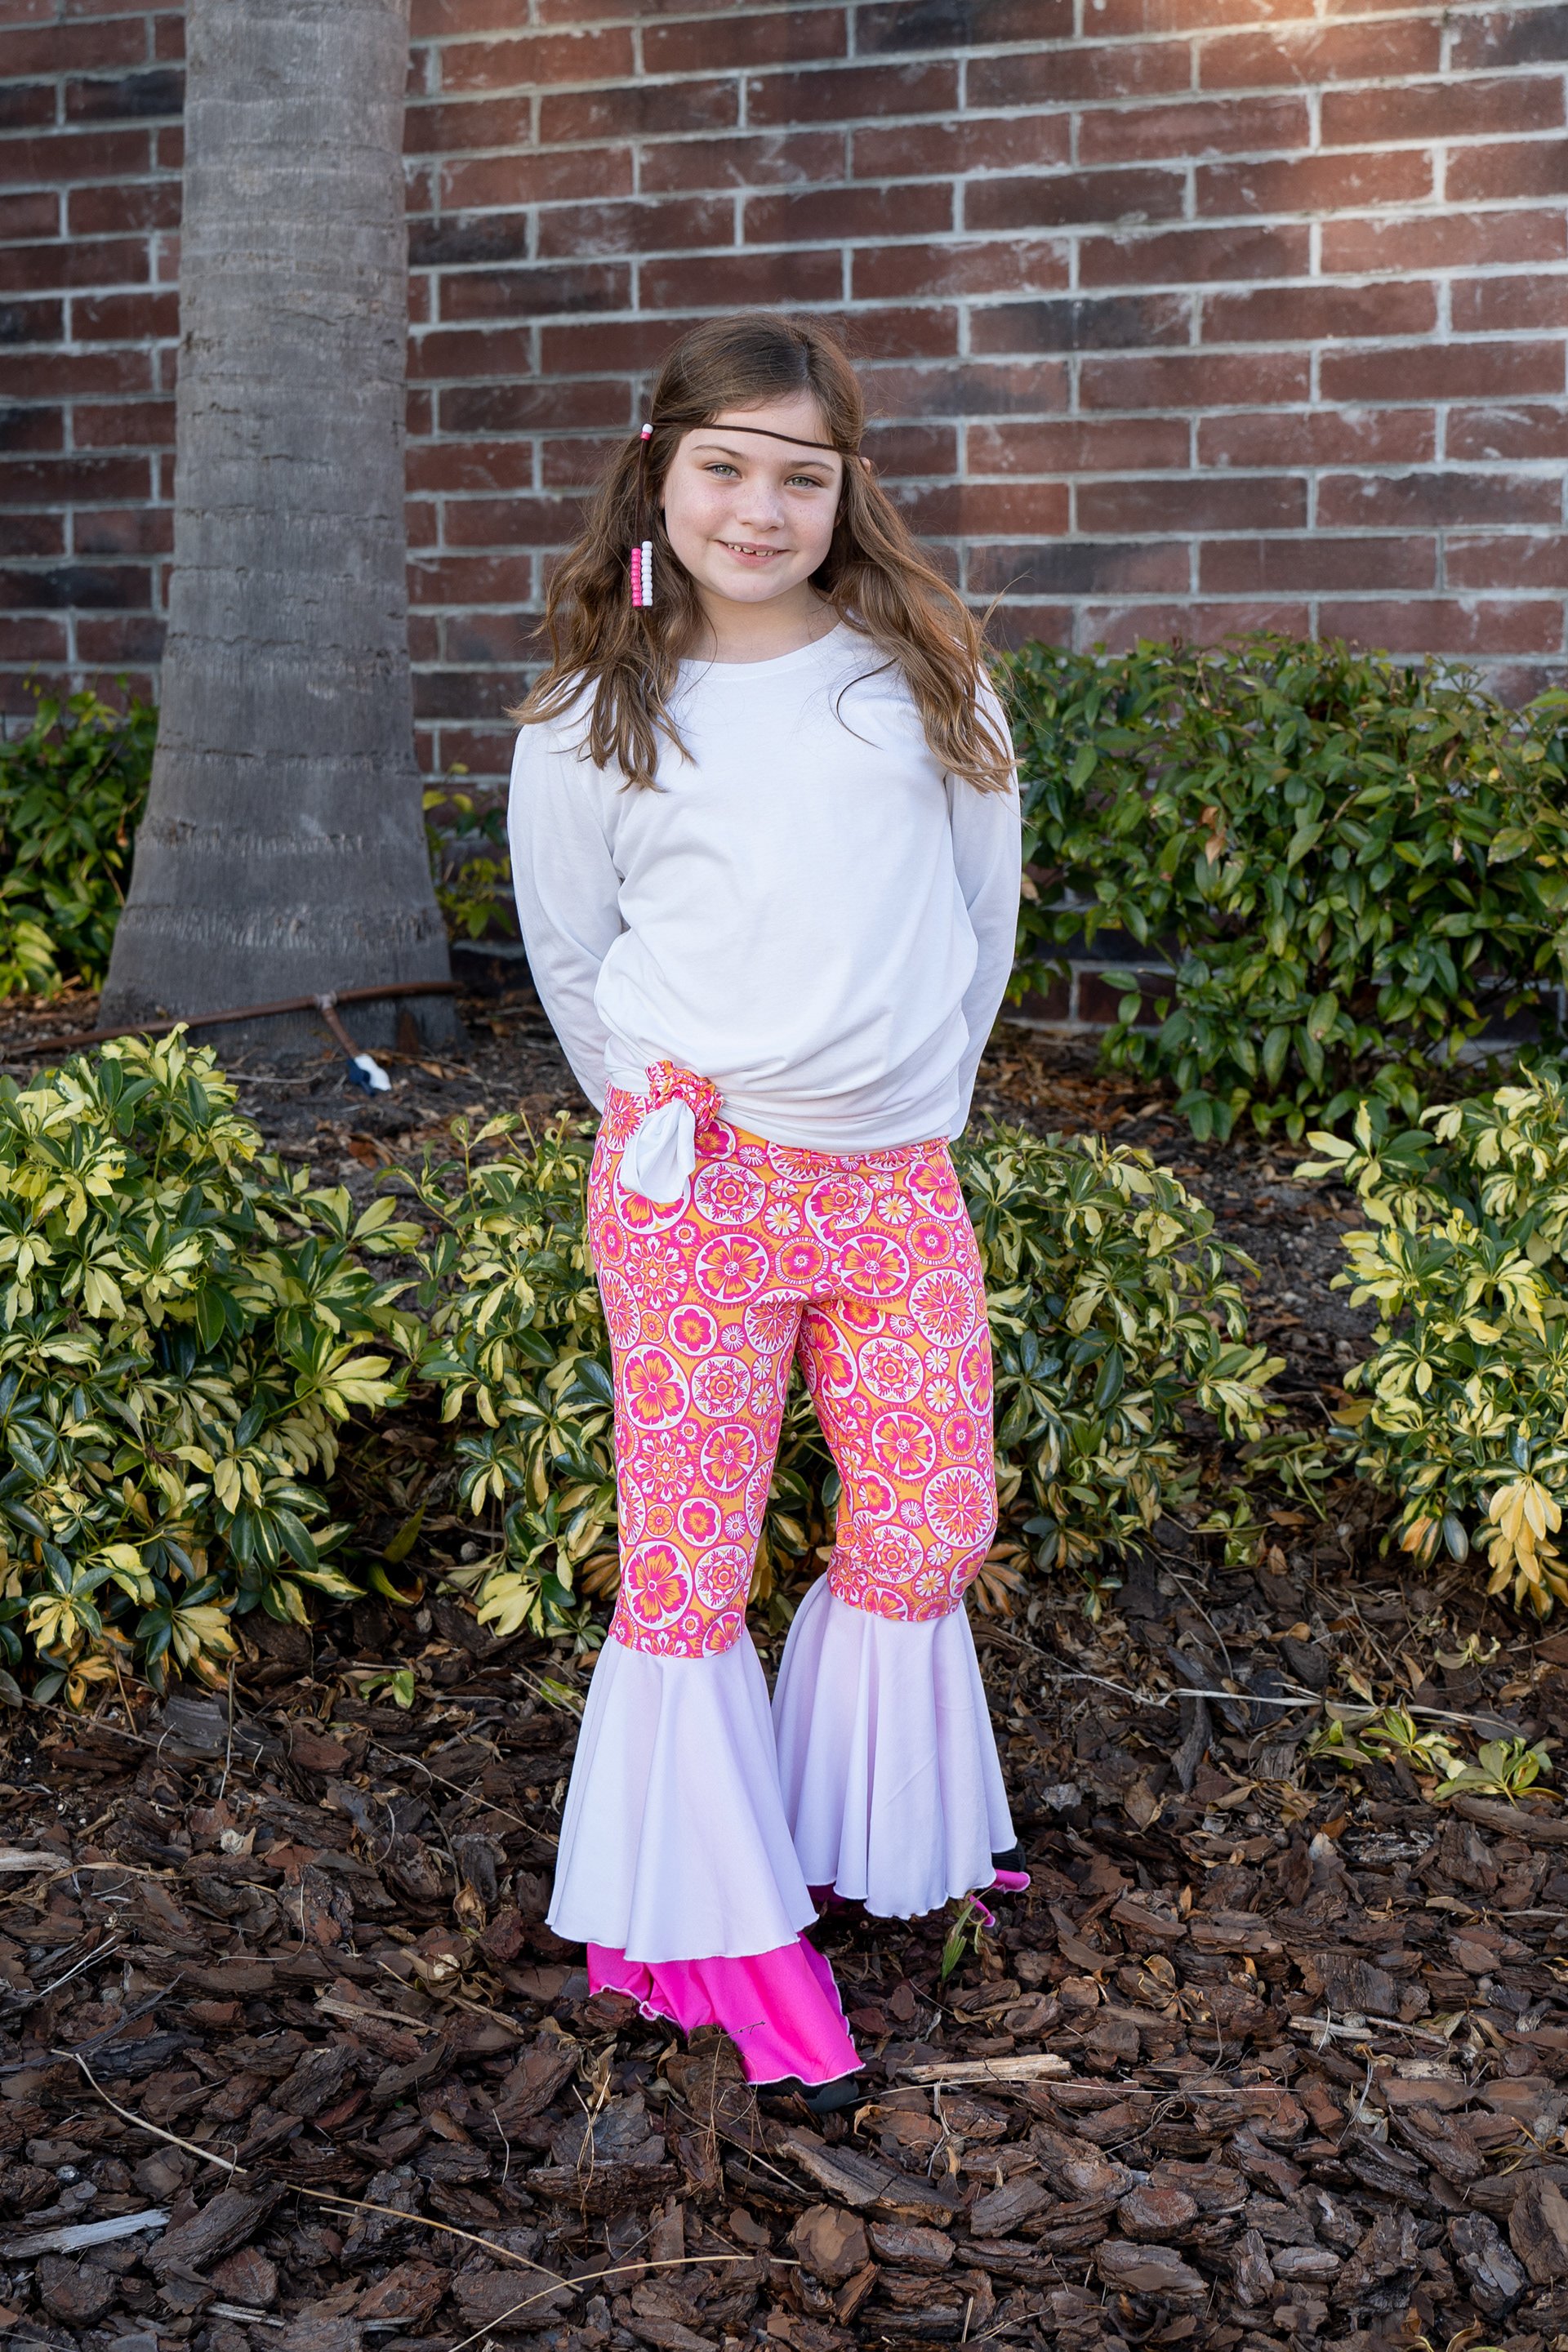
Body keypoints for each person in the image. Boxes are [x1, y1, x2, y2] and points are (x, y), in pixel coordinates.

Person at [506, 311, 1025, 2106]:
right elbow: (574, 961)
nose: (759, 507)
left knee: (930, 1524)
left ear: (846, 492)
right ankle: (696, 1916)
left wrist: (907, 1095)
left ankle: (849, 1822)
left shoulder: (922, 681)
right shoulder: (592, 715)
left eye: (801, 475)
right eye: (724, 465)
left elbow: (981, 917)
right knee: (691, 1559)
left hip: (893, 1181)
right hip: (700, 1183)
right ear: (658, 474)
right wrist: (675, 1117)